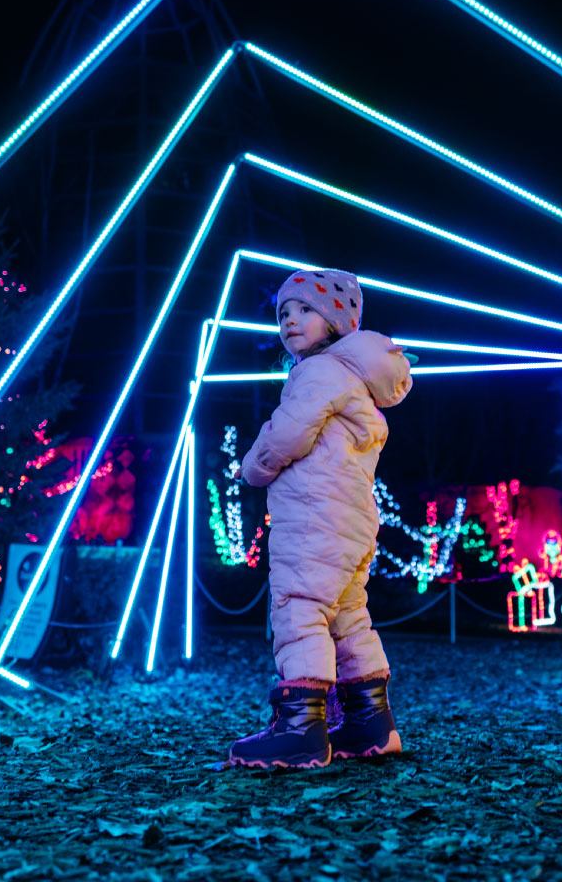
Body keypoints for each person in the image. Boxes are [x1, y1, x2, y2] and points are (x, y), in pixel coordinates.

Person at [228, 268, 412, 769]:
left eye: (306, 309)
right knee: (349, 613)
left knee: (299, 607)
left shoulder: (318, 373)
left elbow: (289, 433)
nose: (291, 320)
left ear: (335, 321)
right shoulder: (355, 382)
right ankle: (370, 720)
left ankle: (300, 726)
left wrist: (254, 466)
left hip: (313, 518)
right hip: (351, 522)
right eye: (284, 312)